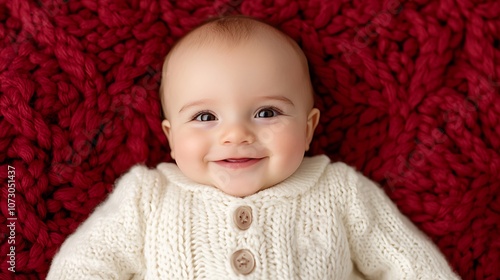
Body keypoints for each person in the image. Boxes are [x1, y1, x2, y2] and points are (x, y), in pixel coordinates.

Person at [47, 15, 460, 279]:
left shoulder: (339, 190)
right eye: (206, 117)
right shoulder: (149, 197)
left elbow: (411, 264)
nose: (236, 135)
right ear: (171, 138)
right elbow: (85, 264)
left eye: (266, 113)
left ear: (309, 126)